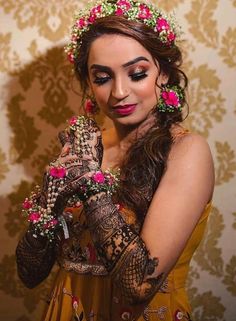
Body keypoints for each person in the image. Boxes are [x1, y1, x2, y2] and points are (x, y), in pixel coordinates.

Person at [16, 1, 215, 320]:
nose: (120, 91)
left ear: (162, 73)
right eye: (102, 77)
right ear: (89, 83)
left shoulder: (187, 151)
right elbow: (29, 274)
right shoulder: (83, 149)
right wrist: (51, 201)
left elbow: (137, 286)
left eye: (137, 73)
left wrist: (91, 186)